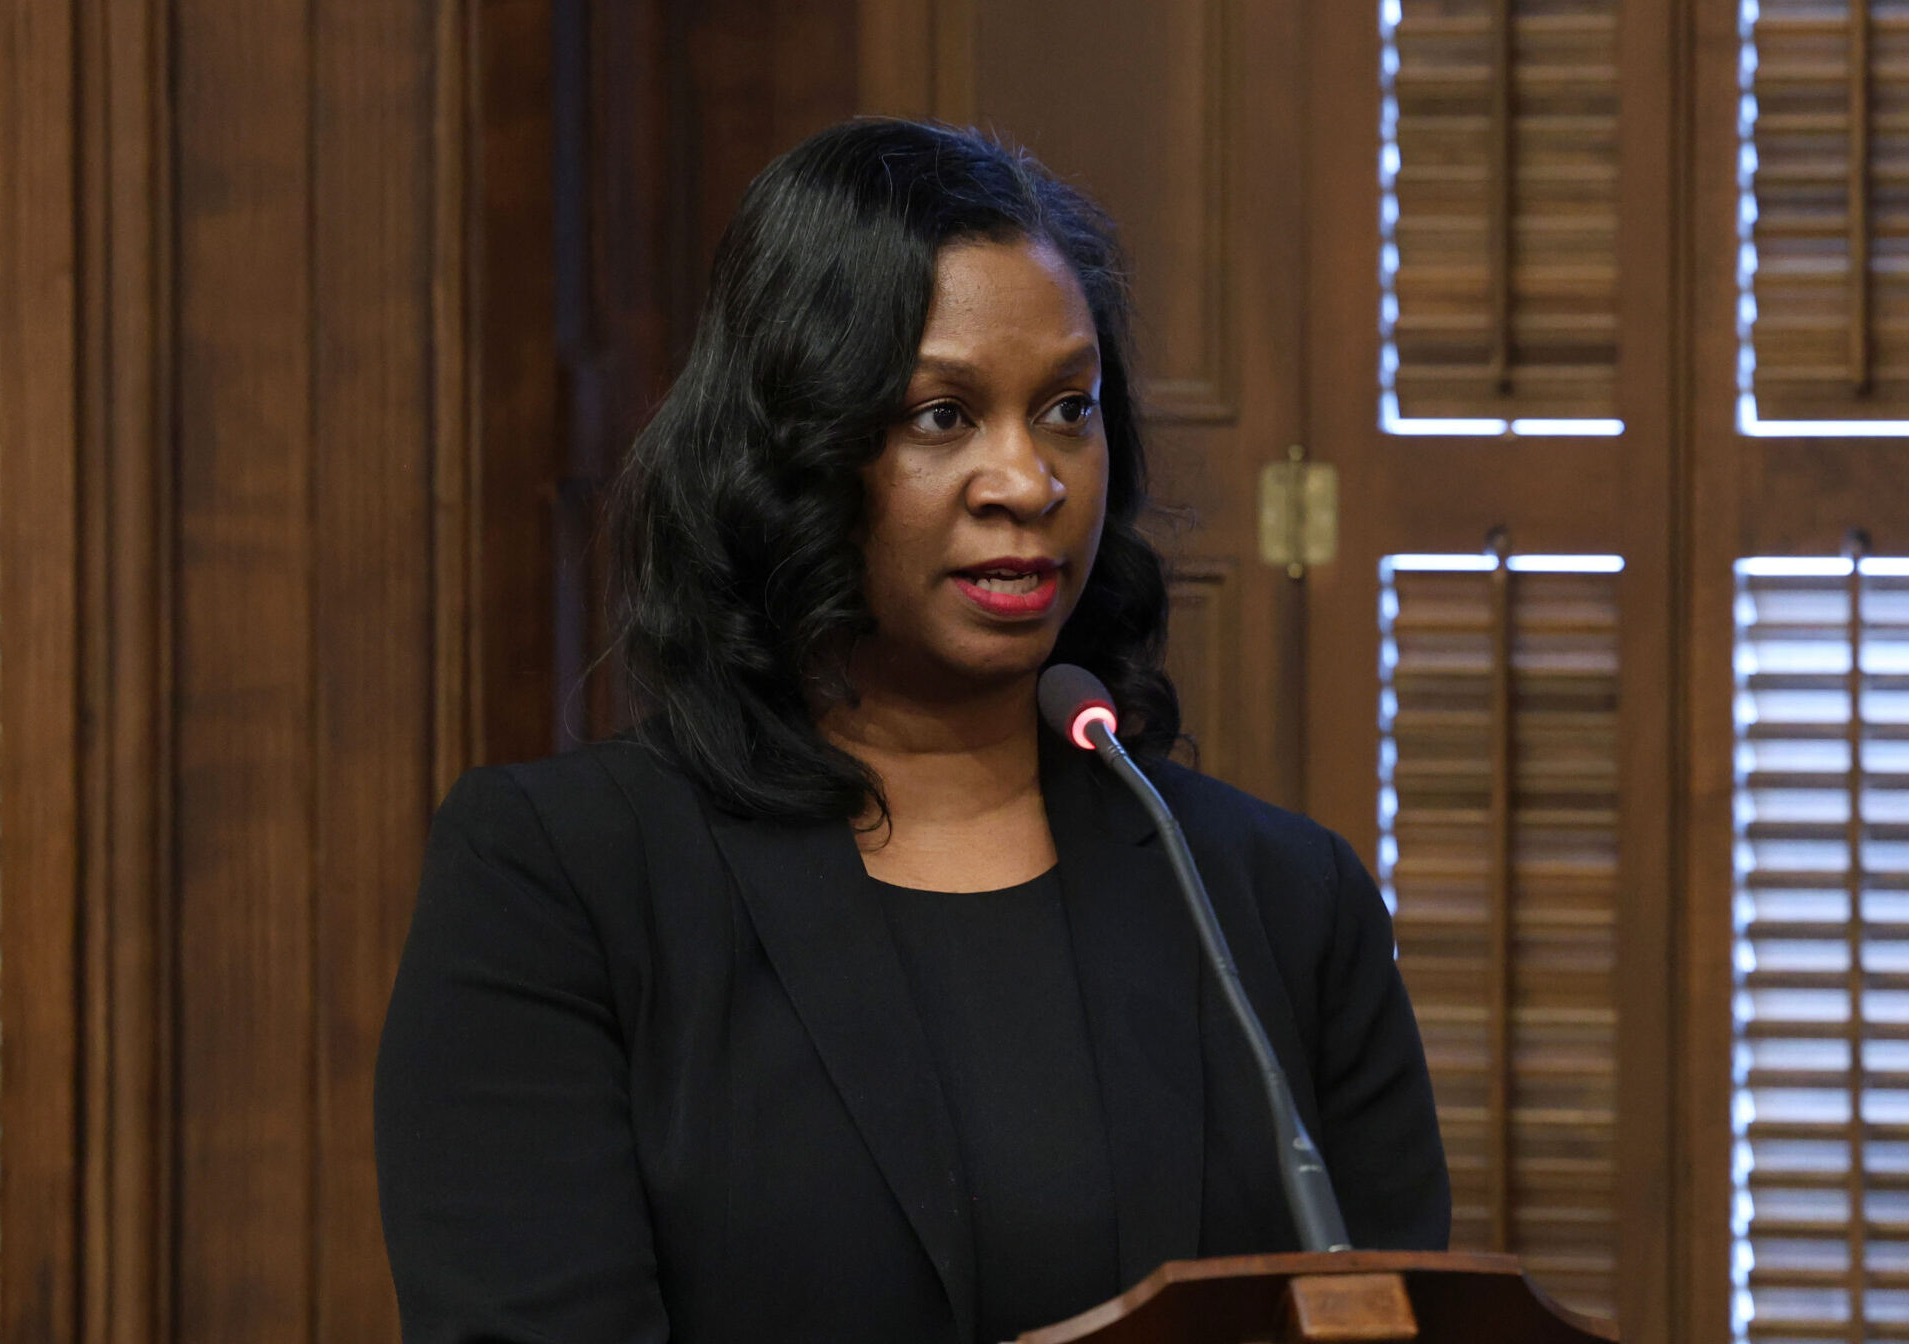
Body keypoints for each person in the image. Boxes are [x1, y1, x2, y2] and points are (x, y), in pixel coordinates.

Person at [373, 118, 1447, 1344]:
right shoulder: (560, 882)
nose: (1027, 481)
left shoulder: (1278, 901)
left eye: (1066, 409)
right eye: (942, 416)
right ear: (791, 447)